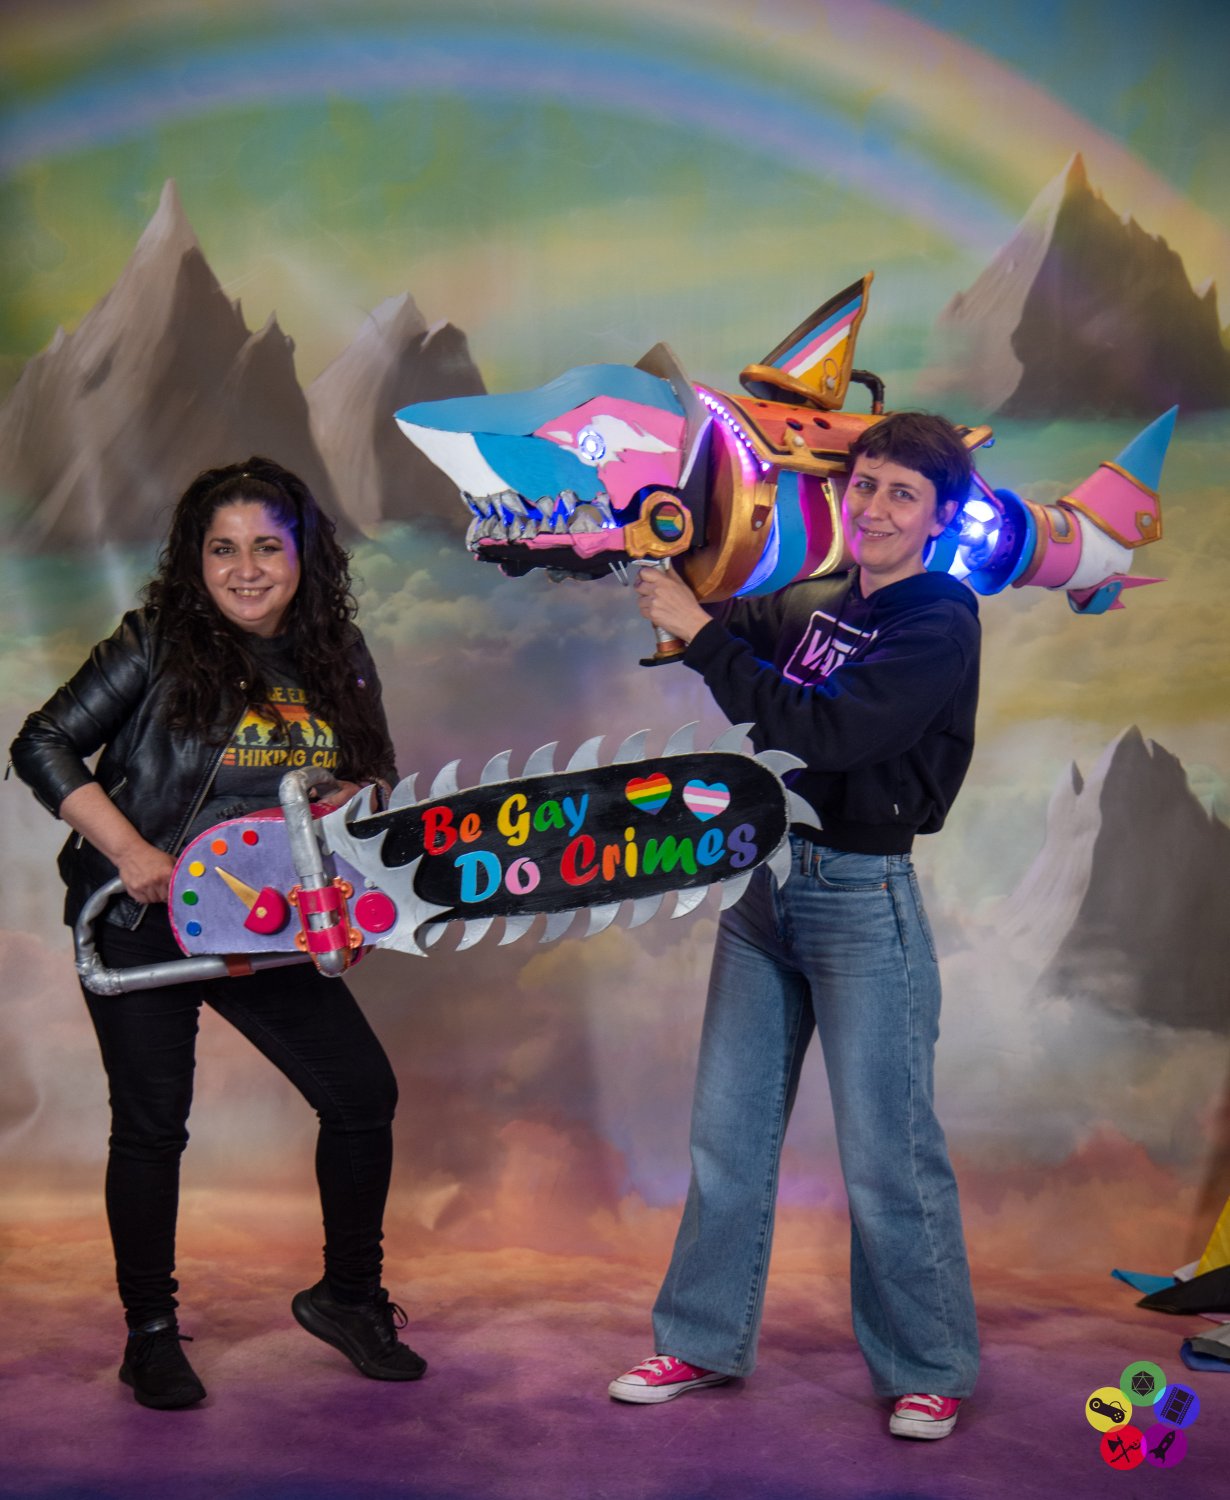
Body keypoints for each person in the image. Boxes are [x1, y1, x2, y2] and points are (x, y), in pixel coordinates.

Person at [11, 457, 425, 1410]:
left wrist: (356, 798)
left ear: (303, 555)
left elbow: (376, 775)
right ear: (195, 560)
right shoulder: (156, 641)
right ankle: (150, 1336)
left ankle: (348, 1298)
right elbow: (42, 741)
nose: (245, 570)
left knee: (361, 1096)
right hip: (141, 921)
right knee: (152, 1126)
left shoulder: (338, 652)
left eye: (267, 548)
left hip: (265, 926)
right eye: (222, 549)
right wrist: (130, 852)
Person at [613, 412, 981, 1441]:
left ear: (942, 518)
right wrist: (635, 529)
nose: (875, 509)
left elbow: (829, 730)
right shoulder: (821, 599)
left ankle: (930, 1368)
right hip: (763, 886)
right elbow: (719, 597)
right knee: (727, 1138)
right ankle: (700, 1340)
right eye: (864, 485)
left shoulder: (939, 620)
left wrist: (700, 635)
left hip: (863, 897)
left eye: (902, 494)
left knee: (888, 1155)